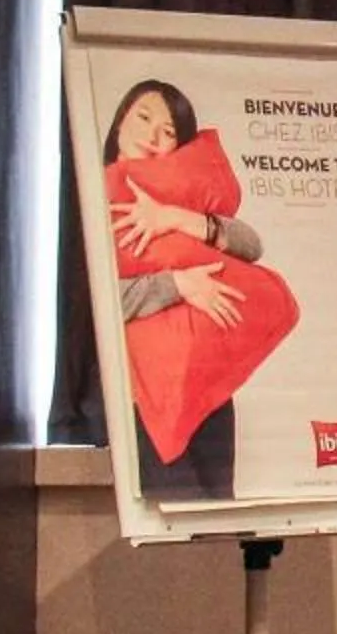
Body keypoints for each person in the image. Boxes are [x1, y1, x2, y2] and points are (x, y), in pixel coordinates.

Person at [104, 79, 267, 499]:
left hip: (209, 395)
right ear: (121, 119)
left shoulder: (180, 195)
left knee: (219, 521)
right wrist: (177, 284)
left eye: (169, 131)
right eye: (144, 118)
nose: (154, 136)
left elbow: (251, 245)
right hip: (145, 397)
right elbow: (101, 300)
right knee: (174, 519)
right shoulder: (92, 198)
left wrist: (176, 218)